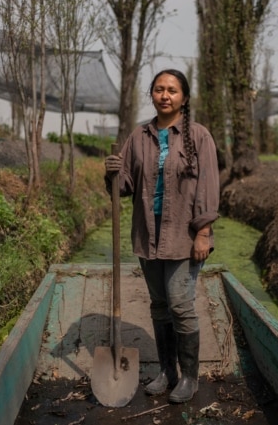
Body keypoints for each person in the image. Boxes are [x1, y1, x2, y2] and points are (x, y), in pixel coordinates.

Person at [104, 69, 220, 403]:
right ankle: (167, 371)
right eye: (158, 89)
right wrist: (112, 171)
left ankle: (189, 378)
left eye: (171, 90)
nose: (164, 95)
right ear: (152, 95)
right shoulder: (138, 137)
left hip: (184, 235)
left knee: (180, 304)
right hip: (148, 234)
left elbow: (209, 186)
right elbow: (124, 187)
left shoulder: (198, 136)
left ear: (184, 98)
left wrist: (204, 232)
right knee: (159, 305)